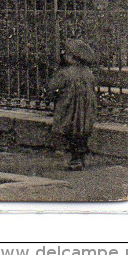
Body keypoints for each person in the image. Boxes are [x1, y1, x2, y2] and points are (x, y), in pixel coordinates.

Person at [46, 38, 98, 171]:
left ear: (72, 57)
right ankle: (79, 158)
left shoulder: (65, 72)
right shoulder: (87, 72)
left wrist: (53, 96)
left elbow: (52, 87)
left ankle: (72, 159)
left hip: (69, 106)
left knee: (69, 130)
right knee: (82, 131)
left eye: (67, 53)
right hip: (86, 107)